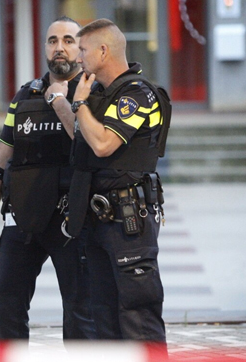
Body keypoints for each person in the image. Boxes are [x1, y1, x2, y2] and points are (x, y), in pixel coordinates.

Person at [0, 16, 97, 348]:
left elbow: (88, 142)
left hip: (70, 219)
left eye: (69, 41)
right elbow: (1, 156)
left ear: (81, 48)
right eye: (52, 40)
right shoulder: (25, 95)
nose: (59, 47)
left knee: (79, 309)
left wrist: (60, 100)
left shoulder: (92, 91)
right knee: (7, 299)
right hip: (23, 216)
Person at [66, 18, 171, 344]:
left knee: (138, 315)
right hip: (97, 220)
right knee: (104, 316)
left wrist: (80, 104)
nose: (77, 57)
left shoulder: (137, 94)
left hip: (128, 223)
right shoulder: (100, 94)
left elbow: (103, 144)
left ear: (103, 50)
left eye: (82, 50)